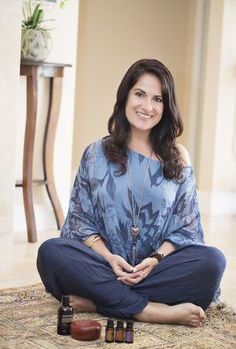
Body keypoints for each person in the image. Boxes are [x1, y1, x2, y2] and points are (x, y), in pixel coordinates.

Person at [37, 58, 226, 327]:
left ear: (166, 106)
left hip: (157, 270)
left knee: (213, 261)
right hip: (105, 267)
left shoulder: (178, 156)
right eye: (140, 94)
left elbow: (186, 229)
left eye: (157, 99)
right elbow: (80, 223)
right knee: (51, 252)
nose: (147, 107)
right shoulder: (95, 154)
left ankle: (96, 301)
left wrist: (155, 259)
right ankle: (149, 310)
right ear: (125, 96)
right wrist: (110, 258)